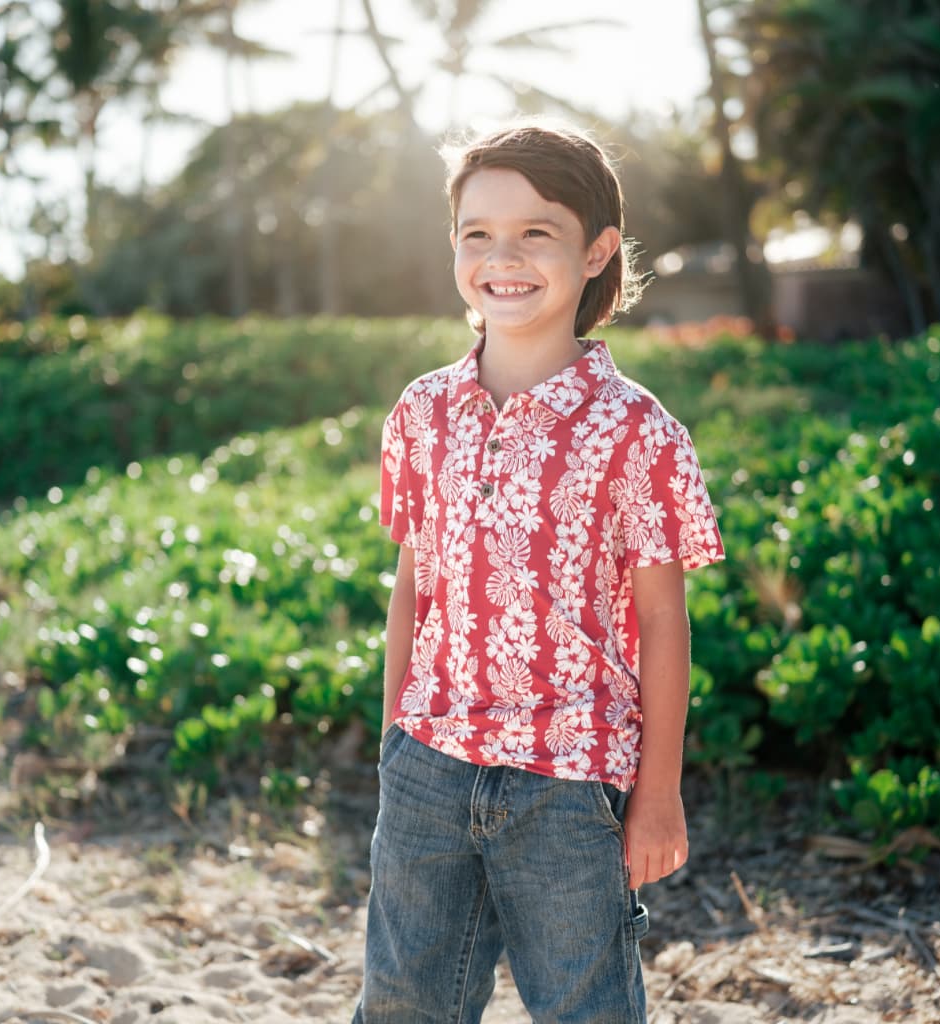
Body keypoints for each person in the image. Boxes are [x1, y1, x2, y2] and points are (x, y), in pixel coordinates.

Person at [353, 121, 725, 1024]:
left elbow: (664, 624)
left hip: (569, 778)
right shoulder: (423, 411)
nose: (502, 256)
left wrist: (660, 795)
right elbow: (415, 582)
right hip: (428, 764)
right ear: (452, 248)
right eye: (478, 232)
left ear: (598, 251)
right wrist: (396, 733)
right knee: (403, 1001)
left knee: (585, 1008)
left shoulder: (637, 431)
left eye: (536, 232)